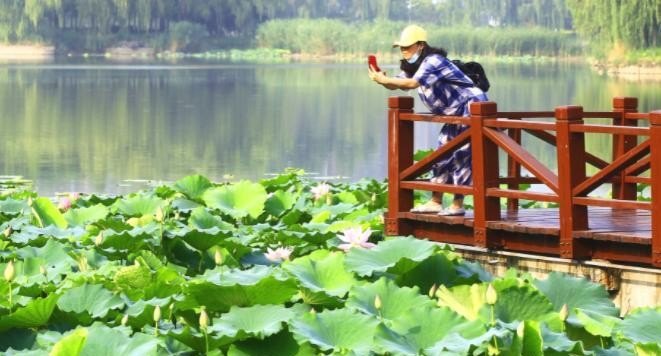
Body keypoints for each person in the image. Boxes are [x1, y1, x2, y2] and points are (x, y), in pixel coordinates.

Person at [368, 24, 488, 216]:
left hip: (470, 106)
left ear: (421, 45)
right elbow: (400, 85)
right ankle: (435, 202)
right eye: (402, 48)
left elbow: (412, 83)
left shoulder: (433, 61)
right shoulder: (413, 65)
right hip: (454, 113)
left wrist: (385, 81)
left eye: (408, 47)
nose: (404, 51)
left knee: (463, 154)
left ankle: (458, 205)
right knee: (442, 153)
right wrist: (382, 78)